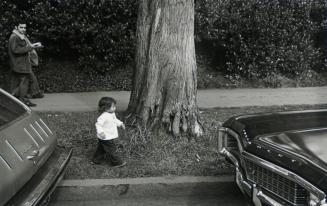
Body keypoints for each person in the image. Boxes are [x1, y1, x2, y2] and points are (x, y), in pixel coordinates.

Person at [8, 22, 43, 107]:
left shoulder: (19, 36)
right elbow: (16, 50)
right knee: (24, 82)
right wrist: (32, 47)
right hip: (20, 64)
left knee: (22, 81)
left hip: (21, 64)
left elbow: (21, 48)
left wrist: (33, 46)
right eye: (21, 27)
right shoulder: (14, 37)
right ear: (16, 27)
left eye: (24, 27)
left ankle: (13, 97)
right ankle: (22, 100)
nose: (23, 29)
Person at [91, 97, 127, 167]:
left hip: (108, 136)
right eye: (113, 106)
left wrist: (120, 123)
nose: (115, 108)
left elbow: (115, 120)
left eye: (115, 106)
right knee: (111, 150)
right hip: (105, 136)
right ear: (106, 108)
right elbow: (98, 124)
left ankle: (95, 160)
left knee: (101, 149)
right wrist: (101, 132)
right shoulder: (103, 116)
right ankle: (117, 162)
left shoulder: (112, 114)